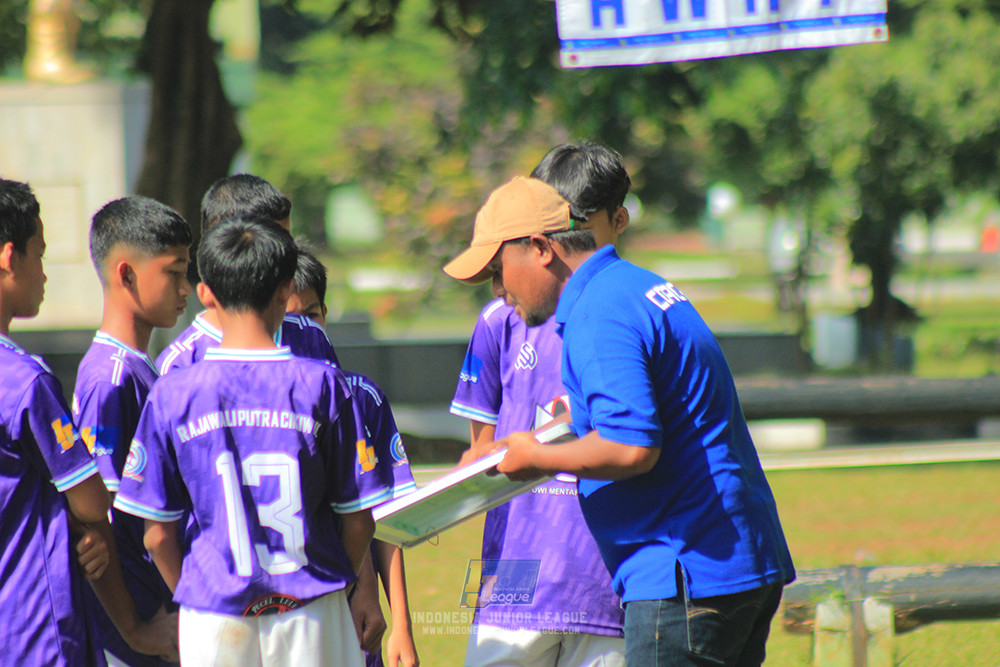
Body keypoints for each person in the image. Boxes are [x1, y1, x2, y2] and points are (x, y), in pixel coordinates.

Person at [444, 176, 796, 666]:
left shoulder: (597, 312)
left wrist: (536, 457)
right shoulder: (635, 285)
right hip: (735, 562)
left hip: (684, 573)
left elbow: (632, 447)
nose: (499, 290)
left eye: (499, 270)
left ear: (541, 248)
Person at [113, 218, 393, 666]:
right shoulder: (324, 384)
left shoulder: (174, 391)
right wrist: (334, 582)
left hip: (214, 616)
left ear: (206, 294)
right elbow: (359, 520)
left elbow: (157, 536)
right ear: (286, 289)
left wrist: (197, 595)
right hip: (313, 608)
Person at [449, 143, 628, 667]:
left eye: (580, 220)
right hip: (514, 569)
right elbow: (483, 456)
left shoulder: (622, 315)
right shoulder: (499, 322)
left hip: (603, 571)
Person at [0, 178, 177, 665]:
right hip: (36, 629)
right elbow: (93, 501)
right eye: (39, 253)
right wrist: (89, 528)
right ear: (8, 257)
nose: (45, 272)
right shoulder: (27, 382)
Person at [72, 195, 193, 666]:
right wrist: (135, 628)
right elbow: (94, 523)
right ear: (126, 274)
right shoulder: (111, 378)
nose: (186, 288)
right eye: (175, 271)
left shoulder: (140, 369)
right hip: (140, 630)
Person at [289, 242, 420, 667]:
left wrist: (401, 620)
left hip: (351, 609)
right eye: (288, 317)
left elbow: (383, 514)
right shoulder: (260, 404)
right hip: (285, 608)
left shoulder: (362, 397)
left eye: (311, 314)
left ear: (325, 314)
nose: (303, 328)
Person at [155, 174, 338, 374]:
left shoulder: (309, 337)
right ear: (221, 247)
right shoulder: (180, 363)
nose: (287, 260)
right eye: (270, 248)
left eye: (288, 246)